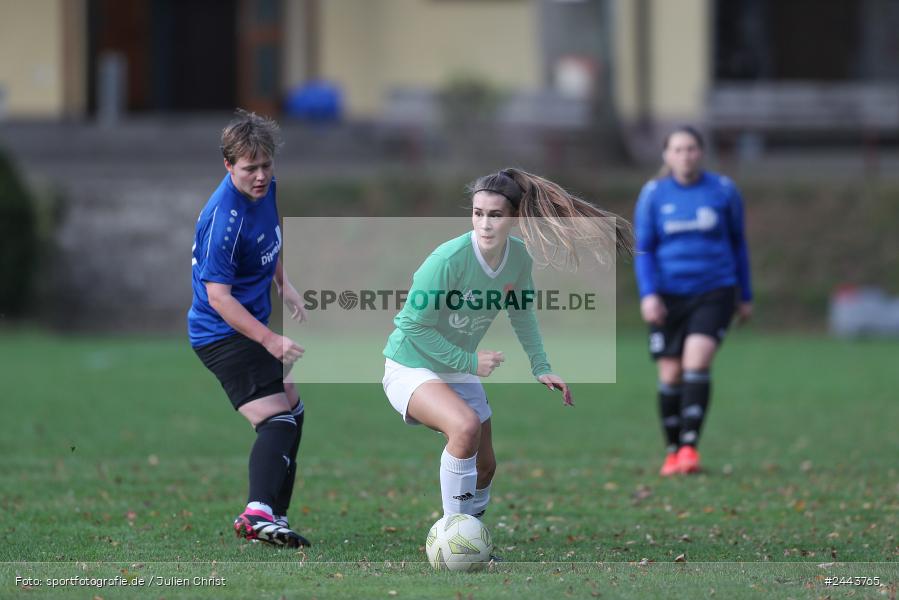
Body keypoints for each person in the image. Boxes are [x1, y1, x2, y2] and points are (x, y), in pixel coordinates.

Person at [382, 168, 633, 526]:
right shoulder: (447, 260)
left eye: (495, 215)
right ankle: (455, 535)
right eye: (477, 213)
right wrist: (467, 360)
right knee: (465, 427)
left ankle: (473, 534)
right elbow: (410, 325)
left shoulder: (517, 257)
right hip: (410, 365)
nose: (484, 224)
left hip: (456, 368)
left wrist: (540, 365)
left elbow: (522, 313)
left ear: (514, 217)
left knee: (485, 467)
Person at [188, 109, 310, 547]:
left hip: (248, 326)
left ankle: (272, 513)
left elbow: (268, 239)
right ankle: (257, 513)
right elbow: (219, 298)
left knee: (293, 412)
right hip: (221, 333)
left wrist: (285, 283)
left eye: (266, 165)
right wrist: (269, 338)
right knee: (277, 417)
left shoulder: (265, 191)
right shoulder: (224, 219)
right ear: (227, 165)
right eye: (249, 168)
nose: (260, 176)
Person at [633, 126, 753, 476]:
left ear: (701, 153)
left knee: (696, 362)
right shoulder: (654, 194)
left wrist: (745, 295)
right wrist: (648, 294)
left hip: (715, 290)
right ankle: (672, 451)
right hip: (668, 295)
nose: (685, 155)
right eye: (678, 149)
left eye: (691, 148)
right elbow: (644, 249)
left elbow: (738, 244)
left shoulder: (723, 191)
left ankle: (689, 449)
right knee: (670, 373)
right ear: (667, 156)